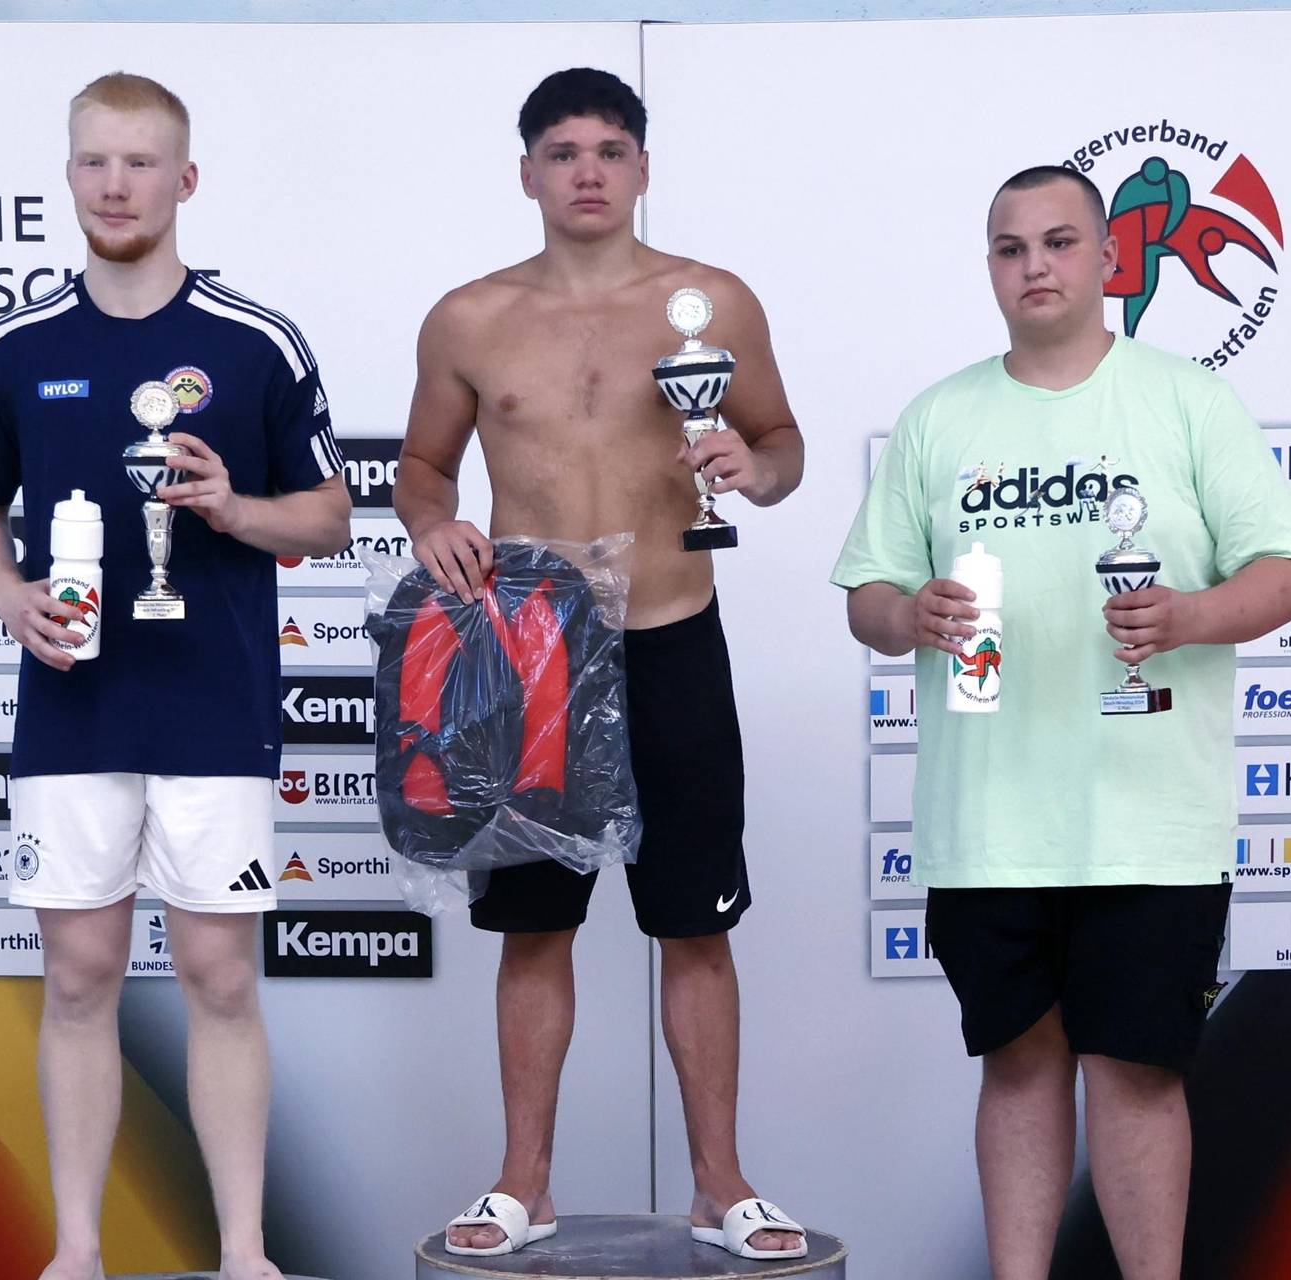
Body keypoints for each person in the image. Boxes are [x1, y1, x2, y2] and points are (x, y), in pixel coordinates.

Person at [832, 163, 1291, 1280]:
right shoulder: (939, 415)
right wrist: (910, 611)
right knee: (1016, 1065)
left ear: (1107, 259)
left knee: (1139, 1073)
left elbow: (1288, 576)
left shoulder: (1184, 399)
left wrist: (1188, 612)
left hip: (1148, 819)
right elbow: (867, 598)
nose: (1033, 265)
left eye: (1057, 242)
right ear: (990, 268)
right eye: (1010, 248)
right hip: (986, 820)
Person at [396, 67, 810, 1260]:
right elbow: (422, 464)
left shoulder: (711, 301)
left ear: (640, 168)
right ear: (526, 170)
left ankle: (718, 1183)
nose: (586, 170)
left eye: (609, 150)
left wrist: (752, 464)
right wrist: (431, 521)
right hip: (530, 651)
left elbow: (781, 446)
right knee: (537, 928)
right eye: (563, 150)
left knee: (694, 923)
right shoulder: (468, 316)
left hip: (673, 634)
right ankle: (523, 1183)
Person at [0, 72, 354, 1280]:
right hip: (71, 703)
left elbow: (329, 518)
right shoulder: (17, 344)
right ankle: (76, 1248)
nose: (114, 184)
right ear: (68, 175)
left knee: (218, 972)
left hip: (214, 702)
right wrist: (10, 596)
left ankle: (242, 1251)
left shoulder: (253, 339)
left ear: (184, 180)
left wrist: (233, 505)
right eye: (93, 162)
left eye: (139, 163)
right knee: (76, 975)